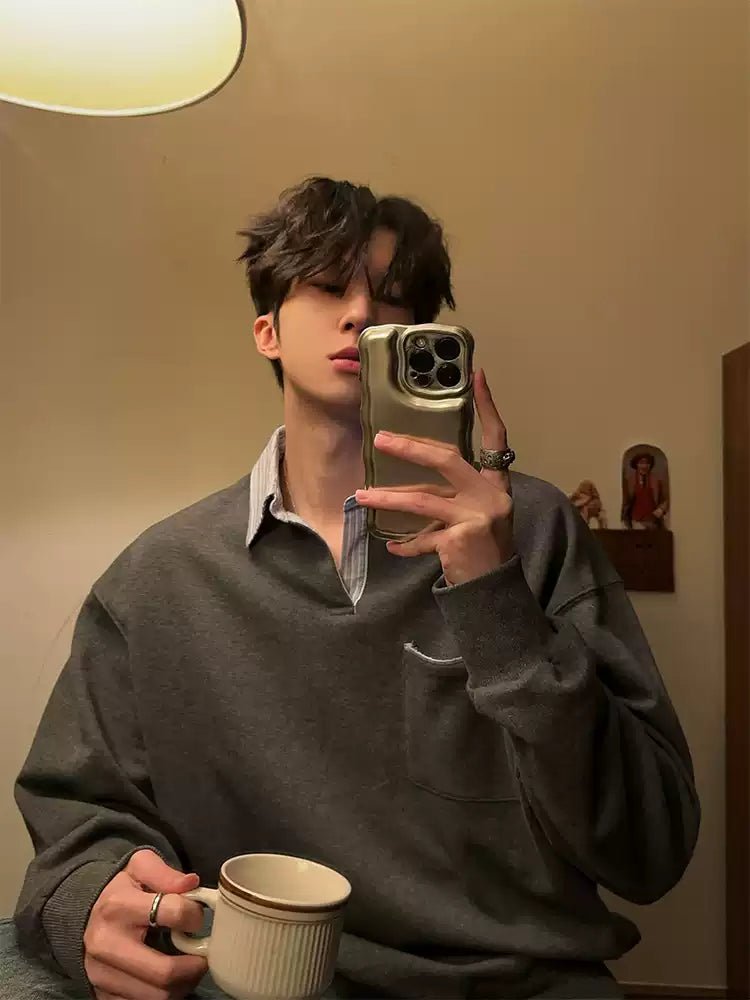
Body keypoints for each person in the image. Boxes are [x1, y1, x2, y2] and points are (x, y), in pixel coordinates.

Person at [5, 177, 699, 1000]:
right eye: (330, 286)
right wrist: (87, 905)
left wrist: (499, 607)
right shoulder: (158, 579)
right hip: (263, 982)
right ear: (266, 331)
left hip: (522, 983)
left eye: (393, 297)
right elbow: (74, 823)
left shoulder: (535, 531)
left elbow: (651, 850)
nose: (363, 312)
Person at [621, 453, 669, 530]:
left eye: (647, 463)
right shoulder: (630, 481)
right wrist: (623, 518)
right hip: (636, 520)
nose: (644, 466)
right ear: (636, 464)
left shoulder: (656, 480)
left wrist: (661, 509)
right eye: (641, 463)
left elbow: (666, 499)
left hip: (653, 521)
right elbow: (625, 501)